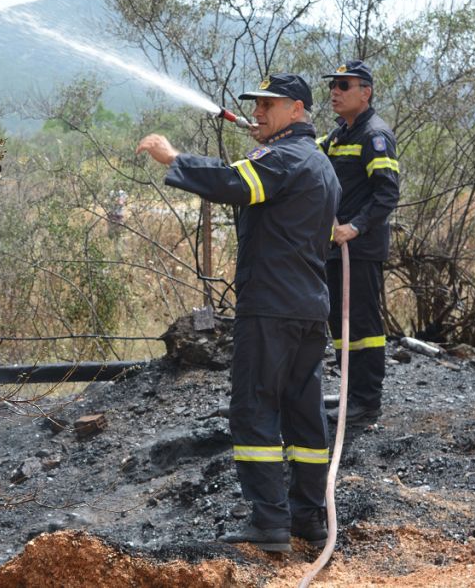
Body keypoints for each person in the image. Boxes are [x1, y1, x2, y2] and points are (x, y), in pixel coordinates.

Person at [136, 74, 340, 553]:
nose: (259, 112)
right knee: (304, 413)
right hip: (309, 309)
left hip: (271, 307)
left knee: (254, 407)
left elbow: (233, 183)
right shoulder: (317, 162)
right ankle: (309, 518)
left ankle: (269, 522)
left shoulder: (284, 158)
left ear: (297, 110)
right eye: (257, 105)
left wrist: (174, 158)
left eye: (269, 105)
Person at [318, 60, 400, 426]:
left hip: (360, 250)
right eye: (332, 85)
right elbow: (311, 152)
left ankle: (367, 402)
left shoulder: (374, 135)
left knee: (363, 326)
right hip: (337, 249)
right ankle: (351, 391)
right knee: (341, 323)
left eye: (343, 85)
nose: (334, 92)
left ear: (365, 92)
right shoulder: (340, 134)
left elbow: (387, 193)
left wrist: (355, 227)